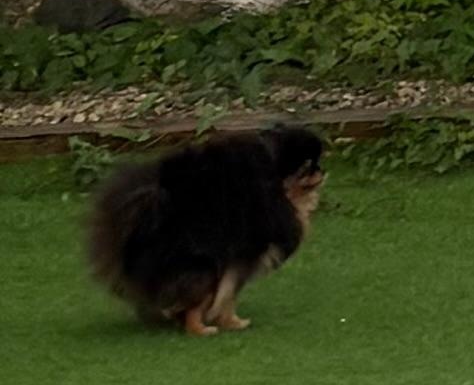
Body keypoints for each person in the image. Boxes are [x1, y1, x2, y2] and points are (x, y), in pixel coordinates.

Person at [81, 122, 326, 337]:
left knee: (215, 254)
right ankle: (194, 319)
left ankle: (213, 313)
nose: (316, 175)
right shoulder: (255, 190)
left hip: (166, 230)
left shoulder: (248, 175)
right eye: (308, 168)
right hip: (175, 238)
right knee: (203, 259)